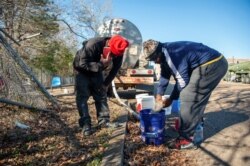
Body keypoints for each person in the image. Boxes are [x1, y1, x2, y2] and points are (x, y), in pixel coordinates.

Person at [143, 39, 228, 149]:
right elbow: (164, 76)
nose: (154, 62)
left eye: (154, 59)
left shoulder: (172, 54)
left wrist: (171, 99)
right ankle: (193, 129)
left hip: (213, 64)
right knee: (190, 97)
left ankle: (186, 140)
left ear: (158, 53)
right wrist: (159, 95)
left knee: (188, 96)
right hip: (207, 64)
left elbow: (182, 81)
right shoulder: (165, 54)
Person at [73, 35, 129, 136]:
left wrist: (106, 84)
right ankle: (86, 124)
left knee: (101, 95)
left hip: (97, 71)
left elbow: (115, 69)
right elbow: (81, 64)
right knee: (82, 97)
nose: (113, 56)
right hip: (81, 70)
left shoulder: (119, 50)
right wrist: (102, 64)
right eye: (112, 53)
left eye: (115, 55)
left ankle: (104, 121)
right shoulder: (93, 44)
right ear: (108, 45)